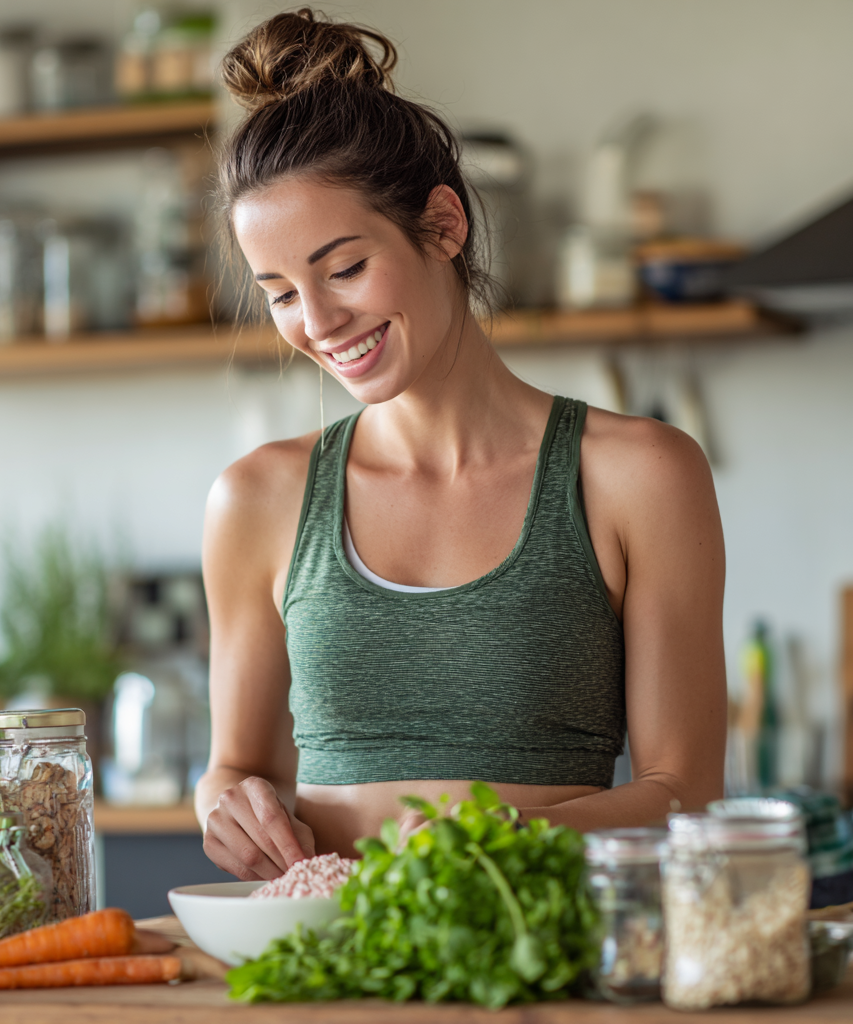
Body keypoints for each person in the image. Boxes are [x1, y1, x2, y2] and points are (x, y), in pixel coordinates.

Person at [195, 8, 726, 881]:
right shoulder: (256, 498)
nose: (319, 324)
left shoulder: (638, 475)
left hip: (538, 968)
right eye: (282, 293)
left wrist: (488, 848)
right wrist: (229, 808)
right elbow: (234, 768)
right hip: (334, 964)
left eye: (345, 269)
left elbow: (684, 792)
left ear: (444, 226)